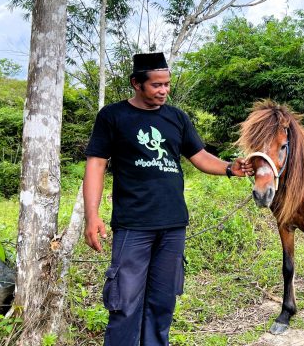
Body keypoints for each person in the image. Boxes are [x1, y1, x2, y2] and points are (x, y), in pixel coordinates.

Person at [83, 52, 254, 346]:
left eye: (167, 85)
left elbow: (198, 156)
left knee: (162, 304)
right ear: (136, 83)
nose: (163, 91)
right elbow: (96, 164)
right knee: (124, 303)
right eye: (156, 85)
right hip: (133, 225)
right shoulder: (113, 116)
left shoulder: (176, 117)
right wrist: (92, 215)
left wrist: (229, 168)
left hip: (173, 225)